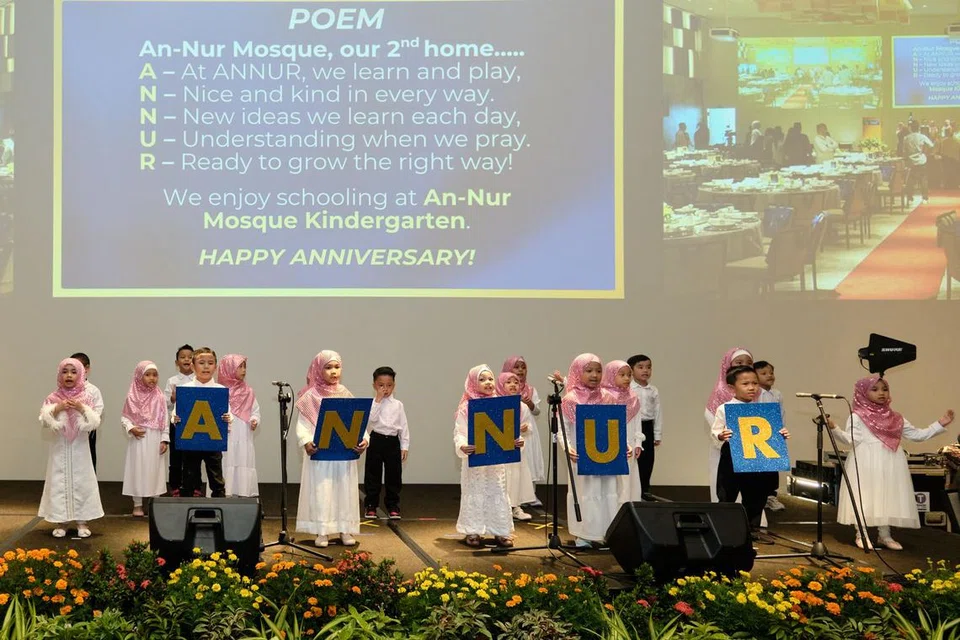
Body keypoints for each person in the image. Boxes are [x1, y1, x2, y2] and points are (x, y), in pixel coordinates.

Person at [828, 376, 954, 550]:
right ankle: (861, 534)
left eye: (884, 389)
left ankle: (885, 535)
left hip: (890, 462)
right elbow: (850, 439)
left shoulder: (895, 417)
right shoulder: (857, 417)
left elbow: (917, 435)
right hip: (866, 462)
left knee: (886, 496)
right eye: (875, 389)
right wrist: (834, 428)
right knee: (864, 496)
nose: (881, 393)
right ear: (862, 393)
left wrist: (939, 424)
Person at [296, 350, 369, 548]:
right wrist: (306, 441)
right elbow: (302, 425)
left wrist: (364, 439)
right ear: (318, 370)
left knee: (344, 492)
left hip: (343, 454)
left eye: (337, 367)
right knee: (322, 492)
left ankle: (345, 529)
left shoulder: (345, 393)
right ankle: (322, 531)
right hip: (321, 454)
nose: (333, 371)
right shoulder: (310, 396)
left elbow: (357, 420)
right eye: (328, 367)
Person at [711, 365, 790, 542]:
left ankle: (751, 530)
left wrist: (780, 434)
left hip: (757, 458)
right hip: (732, 455)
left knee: (756, 494)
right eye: (745, 384)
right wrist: (721, 435)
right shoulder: (725, 408)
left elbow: (771, 433)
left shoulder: (763, 409)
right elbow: (715, 430)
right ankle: (723, 530)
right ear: (732, 387)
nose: (751, 387)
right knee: (727, 492)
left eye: (754, 383)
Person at [453, 365, 522, 548]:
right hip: (475, 460)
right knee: (475, 491)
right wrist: (462, 445)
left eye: (490, 378)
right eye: (482, 379)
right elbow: (460, 432)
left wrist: (516, 441)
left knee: (497, 490)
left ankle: (501, 531)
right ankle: (473, 530)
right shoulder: (466, 407)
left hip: (495, 462)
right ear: (473, 383)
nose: (488, 383)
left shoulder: (500, 403)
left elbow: (509, 429)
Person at [558, 354, 621, 548]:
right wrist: (567, 447)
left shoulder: (608, 398)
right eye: (589, 370)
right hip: (582, 455)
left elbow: (616, 426)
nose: (594, 375)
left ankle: (607, 533)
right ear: (578, 372)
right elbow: (562, 428)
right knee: (586, 492)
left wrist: (623, 444)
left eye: (598, 371)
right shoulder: (570, 399)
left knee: (607, 491)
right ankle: (584, 535)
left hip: (606, 454)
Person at [38, 357, 104, 538]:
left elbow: (94, 422)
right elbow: (44, 421)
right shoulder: (53, 397)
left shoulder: (86, 397)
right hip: (59, 448)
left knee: (82, 481)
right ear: (59, 374)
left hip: (80, 448)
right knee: (59, 480)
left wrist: (82, 408)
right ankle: (62, 521)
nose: (69, 375)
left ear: (81, 374)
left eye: (74, 372)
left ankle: (82, 521)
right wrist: (57, 408)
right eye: (65, 372)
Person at [172, 347, 230, 498]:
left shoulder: (220, 390)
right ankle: (186, 508)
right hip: (191, 441)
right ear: (192, 366)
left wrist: (228, 418)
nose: (206, 367)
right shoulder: (185, 389)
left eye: (210, 363)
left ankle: (220, 507)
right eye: (201, 363)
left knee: (216, 478)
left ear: (215, 367)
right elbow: (176, 412)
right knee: (188, 477)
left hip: (213, 440)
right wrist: (175, 419)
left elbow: (228, 412)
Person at [120, 361, 169, 516]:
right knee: (138, 469)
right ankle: (138, 504)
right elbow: (125, 418)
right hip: (139, 438)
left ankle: (155, 503)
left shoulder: (160, 396)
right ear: (139, 376)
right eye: (147, 375)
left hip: (155, 438)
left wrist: (164, 439)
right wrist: (131, 428)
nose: (152, 378)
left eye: (155, 375)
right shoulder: (132, 396)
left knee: (155, 469)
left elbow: (165, 419)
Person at [705, 348, 754, 502]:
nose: (744, 365)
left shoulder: (756, 394)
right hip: (728, 451)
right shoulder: (720, 395)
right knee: (727, 490)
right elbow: (712, 419)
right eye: (739, 362)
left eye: (749, 363)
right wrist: (722, 435)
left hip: (753, 453)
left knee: (752, 494)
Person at [363, 366, 410, 520]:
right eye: (381, 385)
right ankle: (371, 505)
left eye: (389, 385)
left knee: (394, 475)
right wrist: (377, 400)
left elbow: (403, 426)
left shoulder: (398, 405)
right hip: (376, 439)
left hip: (393, 442)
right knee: (373, 474)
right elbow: (371, 421)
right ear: (374, 386)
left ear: (394, 385)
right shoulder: (372, 403)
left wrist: (404, 446)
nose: (385, 389)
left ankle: (393, 505)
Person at [501, 356, 545, 503]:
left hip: (528, 429)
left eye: (523, 367)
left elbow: (537, 411)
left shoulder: (531, 390)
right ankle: (512, 496)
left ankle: (530, 494)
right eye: (516, 367)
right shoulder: (502, 389)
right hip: (509, 432)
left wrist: (530, 404)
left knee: (529, 460)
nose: (520, 370)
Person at [600, 360, 643, 504]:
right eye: (622, 375)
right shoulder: (604, 396)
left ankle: (630, 506)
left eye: (629, 375)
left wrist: (638, 442)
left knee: (629, 475)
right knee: (615, 479)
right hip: (612, 443)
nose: (627, 378)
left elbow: (637, 421)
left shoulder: (633, 396)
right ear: (611, 375)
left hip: (630, 443)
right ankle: (614, 508)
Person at [218, 354, 260, 497]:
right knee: (226, 461)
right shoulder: (220, 391)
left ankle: (242, 493)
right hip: (226, 434)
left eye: (244, 367)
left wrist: (254, 419)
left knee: (242, 461)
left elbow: (255, 410)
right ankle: (224, 492)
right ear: (228, 369)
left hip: (243, 433)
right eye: (239, 367)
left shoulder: (248, 391)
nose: (243, 370)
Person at [497, 371, 536, 521]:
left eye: (516, 382)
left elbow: (529, 426)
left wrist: (525, 429)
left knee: (516, 478)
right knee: (502, 478)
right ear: (501, 385)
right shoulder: (495, 404)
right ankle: (501, 508)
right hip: (501, 449)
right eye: (508, 382)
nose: (513, 385)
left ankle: (515, 507)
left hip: (517, 448)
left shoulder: (522, 407)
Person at [753, 360, 785, 512]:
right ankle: (759, 497)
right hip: (758, 435)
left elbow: (781, 413)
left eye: (771, 373)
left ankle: (771, 496)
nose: (769, 376)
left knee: (772, 468)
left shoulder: (776, 394)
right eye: (764, 373)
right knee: (758, 468)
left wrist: (781, 430)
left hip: (773, 434)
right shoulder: (755, 393)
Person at [628, 354, 661, 500]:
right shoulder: (628, 389)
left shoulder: (653, 390)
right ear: (631, 370)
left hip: (647, 426)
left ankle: (645, 489)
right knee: (635, 458)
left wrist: (657, 434)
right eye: (640, 367)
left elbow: (658, 413)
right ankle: (633, 490)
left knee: (648, 460)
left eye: (648, 367)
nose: (645, 370)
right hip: (633, 427)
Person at [163, 344, 194, 496]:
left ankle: (193, 487)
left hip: (195, 423)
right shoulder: (172, 381)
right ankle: (175, 486)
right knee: (175, 456)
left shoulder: (199, 379)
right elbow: (165, 405)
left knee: (193, 457)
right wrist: (172, 399)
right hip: (177, 423)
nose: (186, 360)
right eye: (182, 357)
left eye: (190, 357)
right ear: (177, 362)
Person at [70, 353, 103, 473]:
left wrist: (82, 409)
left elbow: (97, 413)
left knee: (87, 464)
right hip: (68, 433)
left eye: (78, 368)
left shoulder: (93, 390)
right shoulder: (64, 389)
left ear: (87, 369)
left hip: (86, 433)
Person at [903, 120, 934, 203]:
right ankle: (925, 198)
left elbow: (904, 151)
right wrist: (925, 152)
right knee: (923, 179)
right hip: (921, 160)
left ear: (910, 128)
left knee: (911, 180)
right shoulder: (922, 137)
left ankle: (910, 197)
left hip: (911, 162)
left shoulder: (906, 138)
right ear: (919, 128)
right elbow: (931, 145)